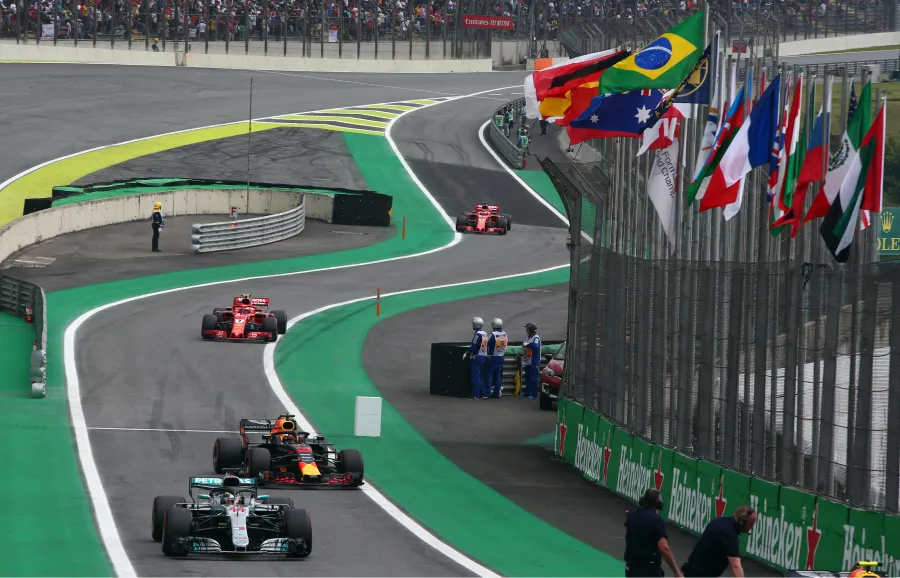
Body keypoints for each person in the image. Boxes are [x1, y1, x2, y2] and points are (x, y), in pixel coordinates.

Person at [681, 506, 757, 577]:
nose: (751, 527)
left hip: (692, 570)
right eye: (750, 523)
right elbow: (736, 566)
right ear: (742, 521)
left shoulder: (719, 521)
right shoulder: (729, 535)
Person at [624, 488, 682, 577]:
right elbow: (664, 548)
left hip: (631, 568)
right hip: (648, 570)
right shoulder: (657, 520)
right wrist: (676, 571)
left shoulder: (631, 514)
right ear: (656, 502)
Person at [463, 317, 489, 399]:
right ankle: (484, 393)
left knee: (475, 377)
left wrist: (467, 353)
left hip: (477, 356)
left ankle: (475, 395)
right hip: (483, 355)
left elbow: (473, 347)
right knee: (479, 376)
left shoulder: (477, 335)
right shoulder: (485, 334)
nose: (472, 325)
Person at [485, 318, 508, 398]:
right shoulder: (505, 334)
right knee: (498, 375)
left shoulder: (493, 334)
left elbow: (487, 343)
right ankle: (497, 393)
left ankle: (488, 392)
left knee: (489, 375)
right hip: (501, 356)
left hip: (493, 357)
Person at [521, 322, 541, 398]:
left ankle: (534, 394)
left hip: (534, 361)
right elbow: (525, 345)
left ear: (532, 330)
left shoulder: (536, 338)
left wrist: (528, 344)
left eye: (528, 329)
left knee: (534, 378)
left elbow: (535, 346)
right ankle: (527, 392)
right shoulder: (528, 338)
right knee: (527, 378)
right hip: (527, 361)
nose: (526, 331)